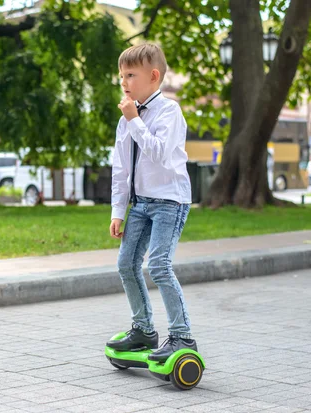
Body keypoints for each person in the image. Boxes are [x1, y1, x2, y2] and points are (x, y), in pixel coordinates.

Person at [106, 43, 197, 362]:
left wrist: (134, 120)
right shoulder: (126, 120)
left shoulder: (169, 112)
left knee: (159, 265)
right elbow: (121, 168)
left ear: (153, 76)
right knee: (126, 264)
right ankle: (143, 329)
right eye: (121, 76)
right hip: (140, 204)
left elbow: (158, 153)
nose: (124, 81)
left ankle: (182, 336)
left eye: (130, 75)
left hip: (170, 202)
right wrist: (119, 211)